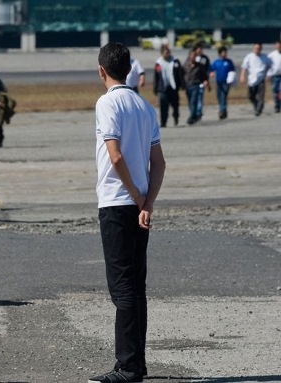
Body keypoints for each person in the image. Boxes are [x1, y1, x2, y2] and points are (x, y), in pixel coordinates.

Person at [89, 42, 166, 383]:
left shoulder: (108, 103)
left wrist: (135, 196)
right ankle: (137, 362)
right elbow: (158, 162)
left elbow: (115, 156)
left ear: (101, 70)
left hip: (118, 203)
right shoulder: (144, 106)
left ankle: (129, 366)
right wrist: (147, 202)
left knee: (122, 288)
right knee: (135, 286)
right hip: (138, 207)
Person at [153, 45, 185, 128]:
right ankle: (163, 122)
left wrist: (182, 84)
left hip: (173, 87)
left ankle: (176, 118)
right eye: (165, 53)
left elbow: (180, 74)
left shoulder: (175, 61)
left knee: (175, 105)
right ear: (162, 53)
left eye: (168, 52)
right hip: (163, 88)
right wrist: (155, 88)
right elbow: (156, 77)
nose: (167, 54)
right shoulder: (158, 63)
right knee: (163, 106)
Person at [239, 42, 272, 116]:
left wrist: (268, 75)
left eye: (259, 49)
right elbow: (244, 67)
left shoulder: (265, 57)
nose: (257, 50)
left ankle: (259, 109)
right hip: (252, 80)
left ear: (261, 49)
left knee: (261, 96)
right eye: (256, 48)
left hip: (261, 80)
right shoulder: (249, 57)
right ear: (253, 49)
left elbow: (270, 66)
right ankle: (256, 105)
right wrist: (242, 76)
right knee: (251, 96)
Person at [184, 42, 211, 125]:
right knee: (190, 101)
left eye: (194, 56)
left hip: (196, 84)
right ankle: (194, 115)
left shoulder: (200, 65)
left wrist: (206, 82)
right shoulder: (185, 65)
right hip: (188, 85)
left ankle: (193, 116)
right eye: (191, 55)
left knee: (194, 100)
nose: (193, 57)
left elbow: (205, 74)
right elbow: (181, 74)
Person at [210, 46, 236, 119]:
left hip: (226, 82)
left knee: (223, 96)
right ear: (220, 54)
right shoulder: (217, 62)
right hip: (219, 82)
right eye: (223, 53)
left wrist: (231, 80)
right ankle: (223, 110)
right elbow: (211, 69)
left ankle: (222, 110)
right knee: (219, 96)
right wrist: (211, 73)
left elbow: (232, 71)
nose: (224, 54)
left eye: (225, 52)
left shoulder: (229, 62)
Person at [267, 40, 281, 113]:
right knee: (275, 92)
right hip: (274, 76)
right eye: (277, 45)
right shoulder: (271, 55)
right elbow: (268, 65)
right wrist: (268, 75)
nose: (279, 47)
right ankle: (277, 106)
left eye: (280, 45)